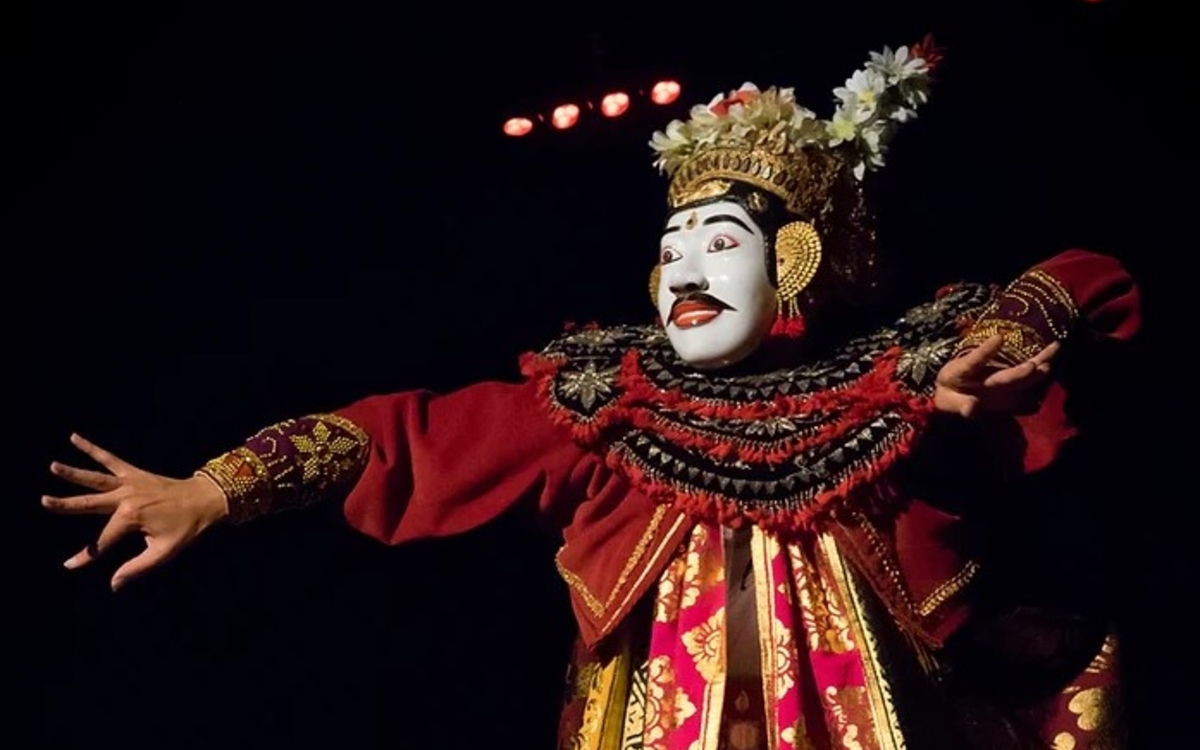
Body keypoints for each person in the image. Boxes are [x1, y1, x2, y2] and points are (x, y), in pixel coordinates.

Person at [43, 38, 1140, 750]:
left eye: (721, 241)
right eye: (672, 249)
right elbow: (392, 439)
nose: (688, 272)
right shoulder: (598, 408)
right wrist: (214, 490)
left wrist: (999, 342)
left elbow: (1090, 276)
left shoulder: (895, 392)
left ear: (792, 261)